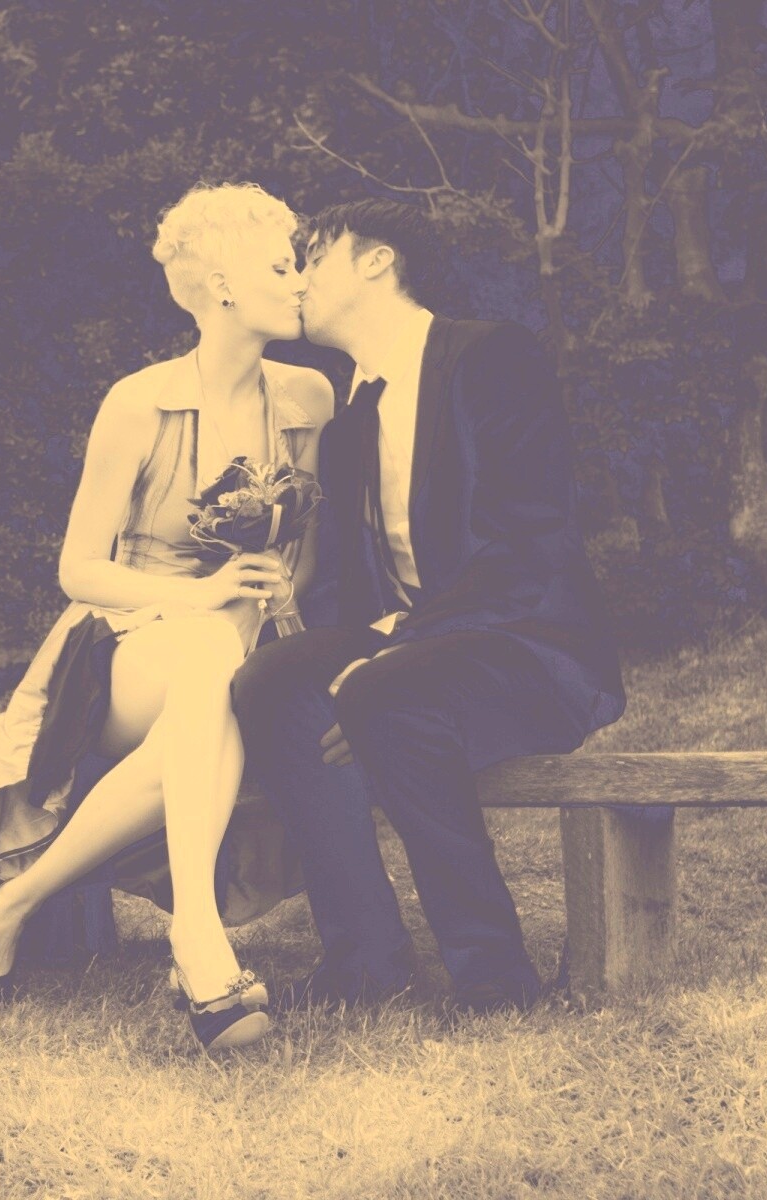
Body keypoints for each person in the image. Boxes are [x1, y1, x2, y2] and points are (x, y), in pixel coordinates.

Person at [0, 182, 334, 1052]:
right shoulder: (138, 402)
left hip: (245, 647)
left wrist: (280, 587)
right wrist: (200, 596)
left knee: (212, 686)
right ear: (222, 286)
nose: (302, 282)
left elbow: (306, 556)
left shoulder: (309, 399)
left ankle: (15, 904)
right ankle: (198, 935)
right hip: (126, 644)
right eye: (283, 266)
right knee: (208, 657)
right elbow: (80, 571)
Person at [231, 199, 626, 1015]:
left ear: (378, 260)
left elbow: (529, 541)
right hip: (412, 654)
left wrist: (396, 648)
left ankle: (495, 976)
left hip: (525, 644)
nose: (298, 277)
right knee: (270, 680)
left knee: (385, 689)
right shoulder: (351, 419)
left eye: (314, 255)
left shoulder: (491, 358)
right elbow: (351, 593)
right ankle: (365, 962)